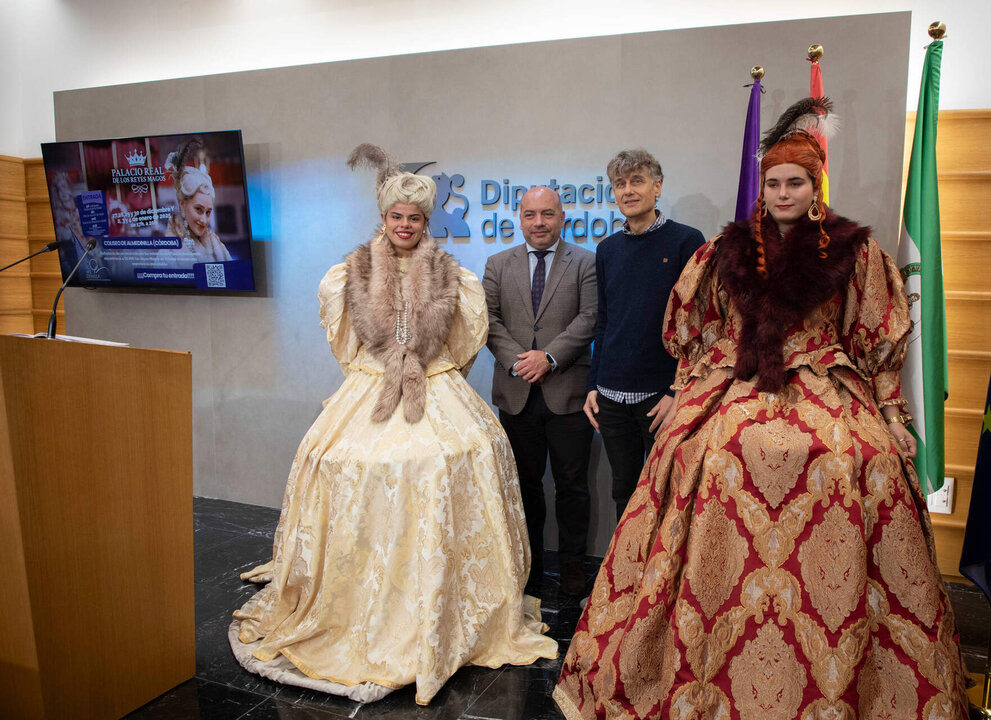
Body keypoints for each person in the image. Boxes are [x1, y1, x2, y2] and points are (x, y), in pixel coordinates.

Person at [553, 99, 969, 719]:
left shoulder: (855, 251)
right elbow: (698, 332)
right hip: (739, 378)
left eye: (794, 182)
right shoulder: (727, 250)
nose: (781, 192)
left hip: (825, 379)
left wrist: (892, 415)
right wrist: (684, 393)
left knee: (861, 459)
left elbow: (875, 342)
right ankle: (710, 613)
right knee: (707, 454)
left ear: (813, 186)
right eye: (772, 182)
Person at [230, 144, 557, 706]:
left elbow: (461, 344)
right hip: (371, 385)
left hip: (433, 385)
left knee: (460, 455)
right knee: (348, 463)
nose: (405, 226)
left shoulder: (452, 274)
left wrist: (430, 370)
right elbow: (347, 342)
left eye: (414, 218)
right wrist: (379, 369)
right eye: (396, 217)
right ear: (383, 218)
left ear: (426, 223)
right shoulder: (350, 272)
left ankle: (438, 603)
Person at [483, 186, 597, 598]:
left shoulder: (585, 262)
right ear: (520, 217)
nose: (539, 223)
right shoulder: (497, 264)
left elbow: (589, 318)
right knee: (523, 487)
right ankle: (527, 567)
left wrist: (548, 357)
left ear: (562, 217)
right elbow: (489, 320)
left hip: (567, 392)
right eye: (530, 215)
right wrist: (520, 359)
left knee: (572, 486)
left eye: (547, 214)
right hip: (516, 393)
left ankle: (571, 566)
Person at [585, 149, 705, 520]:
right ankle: (626, 576)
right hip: (611, 396)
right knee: (624, 492)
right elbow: (605, 322)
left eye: (637, 181)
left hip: (661, 398)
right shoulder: (607, 250)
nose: (628, 190)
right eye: (619, 184)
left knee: (666, 493)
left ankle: (659, 578)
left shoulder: (687, 241)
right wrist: (594, 384)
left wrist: (676, 391)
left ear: (658, 187)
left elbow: (698, 326)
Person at [164, 140, 232, 262]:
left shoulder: (217, 246)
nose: (204, 220)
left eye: (208, 212)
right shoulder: (168, 252)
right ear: (182, 204)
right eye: (198, 209)